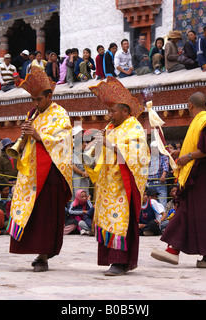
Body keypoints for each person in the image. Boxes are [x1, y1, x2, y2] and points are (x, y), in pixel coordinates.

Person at [151, 92, 206, 268]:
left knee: (187, 210)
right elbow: (202, 147)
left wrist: (188, 157)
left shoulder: (204, 120)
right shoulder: (202, 120)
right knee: (201, 215)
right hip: (202, 176)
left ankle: (173, 251)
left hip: (202, 176)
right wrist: (181, 153)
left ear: (190, 105)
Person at [8, 66, 73, 272]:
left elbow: (63, 142)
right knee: (31, 213)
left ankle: (43, 256)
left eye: (39, 99)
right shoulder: (34, 114)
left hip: (50, 173)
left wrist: (38, 136)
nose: (35, 104)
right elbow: (29, 144)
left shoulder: (60, 114)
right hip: (31, 172)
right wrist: (26, 136)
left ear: (49, 95)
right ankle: (35, 250)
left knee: (46, 215)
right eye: (33, 100)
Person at [87, 77, 149, 276]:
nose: (110, 115)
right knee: (107, 221)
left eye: (113, 111)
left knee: (119, 222)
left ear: (125, 111)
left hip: (123, 186)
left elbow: (137, 156)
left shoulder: (135, 128)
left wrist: (110, 145)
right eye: (109, 111)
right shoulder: (111, 128)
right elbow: (99, 153)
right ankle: (109, 259)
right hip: (107, 185)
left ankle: (120, 262)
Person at [147, 141, 169, 207]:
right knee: (152, 204)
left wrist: (163, 175)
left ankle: (162, 217)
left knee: (162, 203)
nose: (155, 149)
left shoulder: (163, 156)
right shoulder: (148, 157)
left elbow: (165, 166)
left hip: (161, 182)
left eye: (156, 147)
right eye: (153, 148)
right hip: (151, 183)